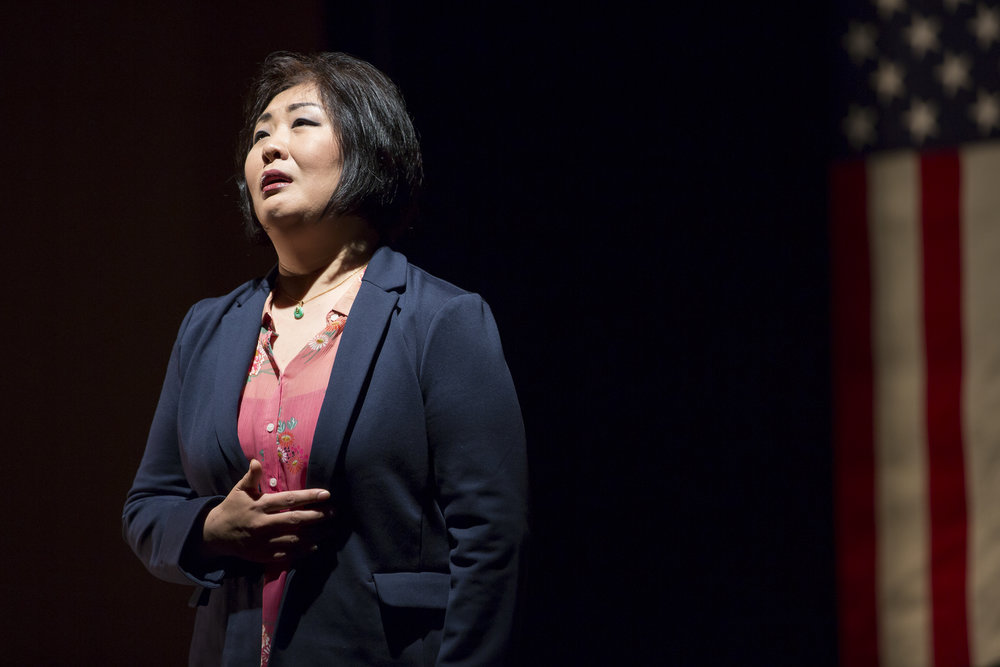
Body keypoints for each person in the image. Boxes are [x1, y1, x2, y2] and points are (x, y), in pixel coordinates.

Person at [122, 51, 528, 666]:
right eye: (260, 134)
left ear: (367, 149)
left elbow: (490, 540)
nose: (270, 148)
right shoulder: (208, 327)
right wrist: (210, 530)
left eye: (300, 123)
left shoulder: (440, 320)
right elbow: (147, 508)